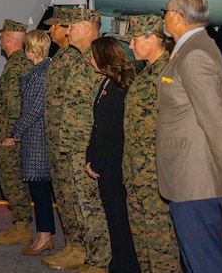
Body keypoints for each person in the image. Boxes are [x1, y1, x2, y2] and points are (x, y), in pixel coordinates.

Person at [157, 0, 222, 273]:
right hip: (190, 178)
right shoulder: (194, 48)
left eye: (166, 12)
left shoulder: (194, 55)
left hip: (195, 179)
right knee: (196, 261)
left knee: (204, 262)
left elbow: (216, 117)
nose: (163, 17)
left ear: (178, 16)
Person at [122, 15, 180, 273]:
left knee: (160, 243)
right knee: (142, 240)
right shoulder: (145, 74)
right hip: (137, 173)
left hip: (157, 176)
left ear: (154, 39)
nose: (131, 46)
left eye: (134, 40)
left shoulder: (170, 74)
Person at [57, 8, 110, 272]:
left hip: (86, 147)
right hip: (74, 146)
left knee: (92, 207)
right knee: (80, 206)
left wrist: (95, 150)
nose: (67, 31)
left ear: (87, 28)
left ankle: (100, 261)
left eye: (72, 27)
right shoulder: (81, 59)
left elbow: (103, 109)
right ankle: (90, 255)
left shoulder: (99, 59)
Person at [86, 37, 140, 273]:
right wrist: (91, 156)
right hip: (104, 162)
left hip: (115, 164)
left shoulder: (120, 87)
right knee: (113, 217)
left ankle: (127, 265)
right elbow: (98, 126)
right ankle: (119, 263)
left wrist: (97, 161)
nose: (90, 59)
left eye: (92, 55)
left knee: (120, 217)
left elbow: (113, 132)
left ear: (103, 57)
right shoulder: (107, 84)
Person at [2, 29, 55, 256]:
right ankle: (43, 236)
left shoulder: (43, 73)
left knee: (41, 191)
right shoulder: (37, 71)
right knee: (38, 190)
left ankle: (45, 237)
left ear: (31, 48)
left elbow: (34, 109)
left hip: (38, 141)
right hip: (35, 140)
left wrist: (15, 133)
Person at [41, 6, 83, 269]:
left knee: (72, 197)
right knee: (64, 198)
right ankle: (72, 245)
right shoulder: (62, 56)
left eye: (55, 25)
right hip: (57, 142)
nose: (50, 29)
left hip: (68, 143)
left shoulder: (74, 59)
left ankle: (79, 248)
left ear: (67, 29)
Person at [0, 19, 33, 245]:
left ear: (9, 39)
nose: (1, 41)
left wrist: (13, 135)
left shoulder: (17, 65)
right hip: (12, 133)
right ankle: (21, 225)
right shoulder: (18, 63)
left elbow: (18, 105)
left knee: (13, 180)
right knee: (14, 180)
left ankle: (22, 228)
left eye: (2, 37)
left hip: (12, 136)